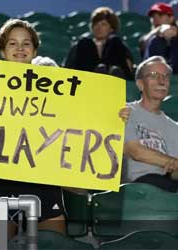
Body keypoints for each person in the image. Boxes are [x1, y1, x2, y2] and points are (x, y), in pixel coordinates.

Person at [0, 19, 130, 242]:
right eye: (12, 43)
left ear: (35, 50)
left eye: (26, 43)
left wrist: (114, 118)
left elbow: (85, 124)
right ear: (2, 50)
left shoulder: (57, 90)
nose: (20, 49)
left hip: (45, 188)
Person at [122, 55, 178, 192]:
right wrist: (171, 162)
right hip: (133, 187)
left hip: (164, 186)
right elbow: (135, 151)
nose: (161, 81)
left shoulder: (174, 127)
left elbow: (175, 174)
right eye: (154, 75)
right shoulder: (125, 111)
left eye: (165, 76)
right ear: (140, 84)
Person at [64, 7, 134, 80]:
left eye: (103, 24)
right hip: (86, 81)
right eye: (96, 24)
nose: (98, 27)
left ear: (111, 28)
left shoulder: (119, 45)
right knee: (85, 42)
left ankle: (113, 76)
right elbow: (68, 68)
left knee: (115, 42)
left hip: (114, 81)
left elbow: (129, 69)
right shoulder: (81, 45)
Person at [140, 2, 178, 74]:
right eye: (152, 16)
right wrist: (159, 29)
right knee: (156, 40)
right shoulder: (149, 38)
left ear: (171, 18)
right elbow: (143, 43)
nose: (155, 18)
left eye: (160, 15)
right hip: (152, 74)